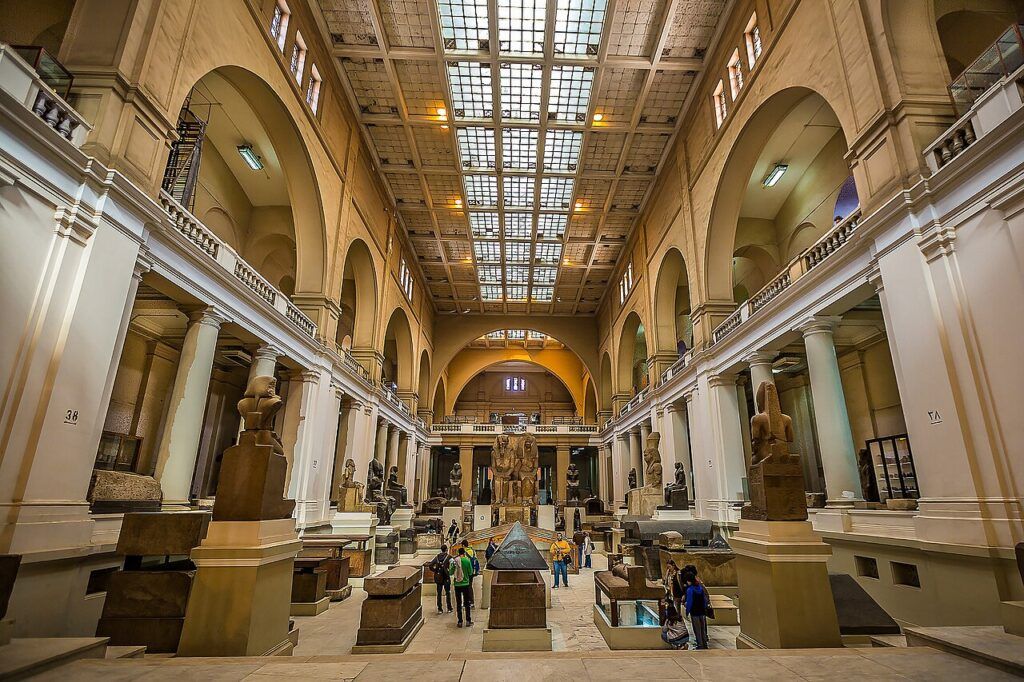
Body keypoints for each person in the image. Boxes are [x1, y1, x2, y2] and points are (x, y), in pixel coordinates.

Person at [683, 571, 709, 650]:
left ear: (688, 580)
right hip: (702, 611)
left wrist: (687, 611)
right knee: (703, 629)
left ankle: (700, 645)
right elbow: (704, 599)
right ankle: (704, 644)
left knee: (697, 629)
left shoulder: (690, 590)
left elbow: (690, 602)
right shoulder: (700, 588)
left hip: (694, 612)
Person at [452, 546, 474, 627]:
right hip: (465, 584)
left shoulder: (455, 561)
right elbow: (470, 572)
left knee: (458, 603)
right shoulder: (467, 561)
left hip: (457, 584)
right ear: (464, 553)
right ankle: (468, 620)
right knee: (466, 603)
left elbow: (451, 572)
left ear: (458, 553)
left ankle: (460, 621)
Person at [428, 544, 453, 614]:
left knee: (439, 593)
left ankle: (440, 609)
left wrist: (435, 570)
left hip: (438, 577)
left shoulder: (437, 557)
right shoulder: (449, 557)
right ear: (446, 550)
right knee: (448, 592)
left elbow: (430, 565)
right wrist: (450, 572)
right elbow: (453, 564)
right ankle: (449, 608)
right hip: (446, 577)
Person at [461, 539, 479, 608]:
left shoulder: (464, 553)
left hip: (466, 573)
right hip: (472, 572)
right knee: (470, 587)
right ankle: (472, 602)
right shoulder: (473, 551)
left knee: (465, 587)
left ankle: (466, 602)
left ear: (463, 545)